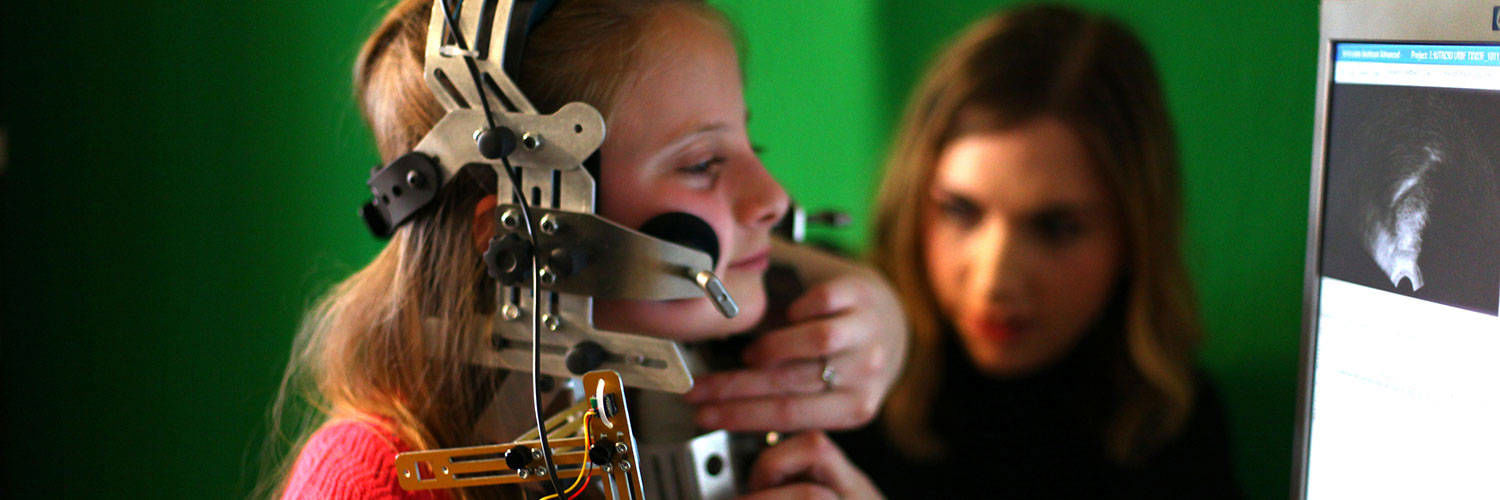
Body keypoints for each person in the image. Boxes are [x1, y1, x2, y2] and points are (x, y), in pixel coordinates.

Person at [262, 0, 901, 498]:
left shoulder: (741, 378)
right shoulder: (368, 481)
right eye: (704, 163)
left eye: (749, 150)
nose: (775, 199)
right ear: (524, 235)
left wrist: (887, 313)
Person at [837, 5, 1240, 498]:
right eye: (960, 212)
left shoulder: (1173, 428)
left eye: (1056, 228)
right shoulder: (839, 365)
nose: (995, 280)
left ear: (1134, 234)